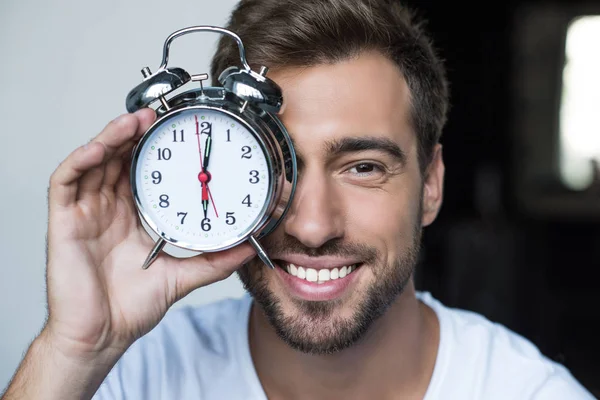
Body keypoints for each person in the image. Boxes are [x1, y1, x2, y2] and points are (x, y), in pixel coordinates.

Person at [2, 0, 595, 399]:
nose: (312, 226)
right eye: (272, 164)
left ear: (431, 185)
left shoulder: (527, 391)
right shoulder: (130, 377)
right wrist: (76, 348)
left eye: (363, 167)